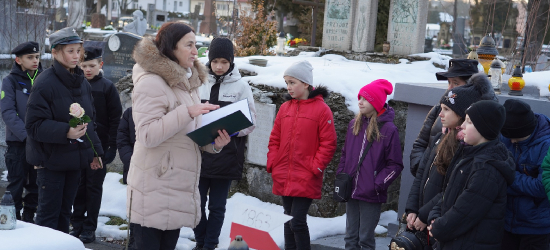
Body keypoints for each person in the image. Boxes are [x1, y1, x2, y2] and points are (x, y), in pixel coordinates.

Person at [127, 22, 231, 250]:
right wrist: (187, 112)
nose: (196, 51)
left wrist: (214, 143)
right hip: (154, 185)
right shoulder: (151, 82)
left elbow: (187, 133)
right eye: (189, 45)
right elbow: (147, 135)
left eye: (196, 45)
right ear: (171, 48)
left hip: (175, 187)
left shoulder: (187, 82)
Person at [25, 27, 104, 233]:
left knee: (64, 214)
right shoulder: (45, 83)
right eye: (70, 51)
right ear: (55, 53)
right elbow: (33, 126)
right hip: (51, 161)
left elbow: (90, 121)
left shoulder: (81, 82)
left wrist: (95, 153)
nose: (76, 56)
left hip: (74, 161)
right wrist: (65, 131)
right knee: (48, 216)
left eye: (78, 51)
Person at [405, 73, 495, 246]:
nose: (440, 114)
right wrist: (412, 209)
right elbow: (421, 175)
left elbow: (448, 190)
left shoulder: (464, 147)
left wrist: (425, 215)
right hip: (421, 217)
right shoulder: (440, 138)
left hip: (436, 221)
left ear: (462, 114)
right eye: (441, 108)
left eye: (446, 110)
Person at [267, 60, 337, 250]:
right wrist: (273, 162)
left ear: (306, 84)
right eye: (286, 82)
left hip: (306, 175)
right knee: (287, 219)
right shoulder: (285, 108)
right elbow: (274, 139)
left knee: (297, 221)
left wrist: (315, 167)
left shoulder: (322, 110)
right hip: (284, 173)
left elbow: (329, 143)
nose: (288, 87)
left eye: (292, 82)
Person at [194, 37, 256, 250]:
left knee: (217, 206)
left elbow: (252, 122)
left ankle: (210, 244)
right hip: (199, 154)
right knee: (197, 204)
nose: (219, 66)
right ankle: (200, 241)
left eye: (224, 62)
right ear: (209, 61)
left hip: (227, 155)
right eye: (215, 61)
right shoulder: (199, 82)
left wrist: (234, 131)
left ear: (231, 62)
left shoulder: (241, 87)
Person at [427, 100, 515, 249]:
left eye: (469, 122)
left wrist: (439, 228)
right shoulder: (470, 155)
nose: (462, 126)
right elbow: (448, 194)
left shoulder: (487, 169)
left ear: (483, 128)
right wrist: (435, 216)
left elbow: (465, 212)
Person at [337, 79, 403, 250]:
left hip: (371, 193)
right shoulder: (354, 124)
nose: (360, 102)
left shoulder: (389, 130)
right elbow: (345, 154)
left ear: (376, 102)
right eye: (359, 97)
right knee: (350, 238)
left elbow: (395, 164)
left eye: (365, 99)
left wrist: (377, 184)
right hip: (351, 190)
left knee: (365, 239)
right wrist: (342, 176)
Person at [70, 46, 122, 243]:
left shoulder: (107, 87)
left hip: (98, 148)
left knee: (93, 188)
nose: (87, 70)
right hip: (76, 146)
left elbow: (116, 119)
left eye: (91, 66)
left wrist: (111, 147)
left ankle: (90, 227)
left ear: (100, 65)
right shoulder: (74, 85)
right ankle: (77, 224)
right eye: (83, 66)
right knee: (77, 186)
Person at [409, 59, 483, 177]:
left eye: (456, 83)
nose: (449, 88)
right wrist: (421, 169)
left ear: (470, 86)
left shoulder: (480, 117)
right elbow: (420, 143)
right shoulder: (438, 109)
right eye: (448, 82)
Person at [499, 99, 550, 250]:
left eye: (516, 138)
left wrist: (509, 177)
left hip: (537, 227)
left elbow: (542, 187)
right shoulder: (506, 135)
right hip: (507, 222)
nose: (512, 141)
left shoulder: (546, 145)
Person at [1, 41, 42, 223]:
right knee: (16, 183)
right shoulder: (9, 81)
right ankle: (13, 218)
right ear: (19, 60)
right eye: (30, 57)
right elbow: (8, 112)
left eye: (37, 57)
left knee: (35, 184)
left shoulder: (44, 78)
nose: (35, 61)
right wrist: (28, 136)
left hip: (40, 142)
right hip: (18, 143)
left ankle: (29, 218)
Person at [117, 106, 136, 250]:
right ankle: (133, 243)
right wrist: (131, 160)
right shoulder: (130, 112)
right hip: (134, 168)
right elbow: (122, 139)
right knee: (135, 208)